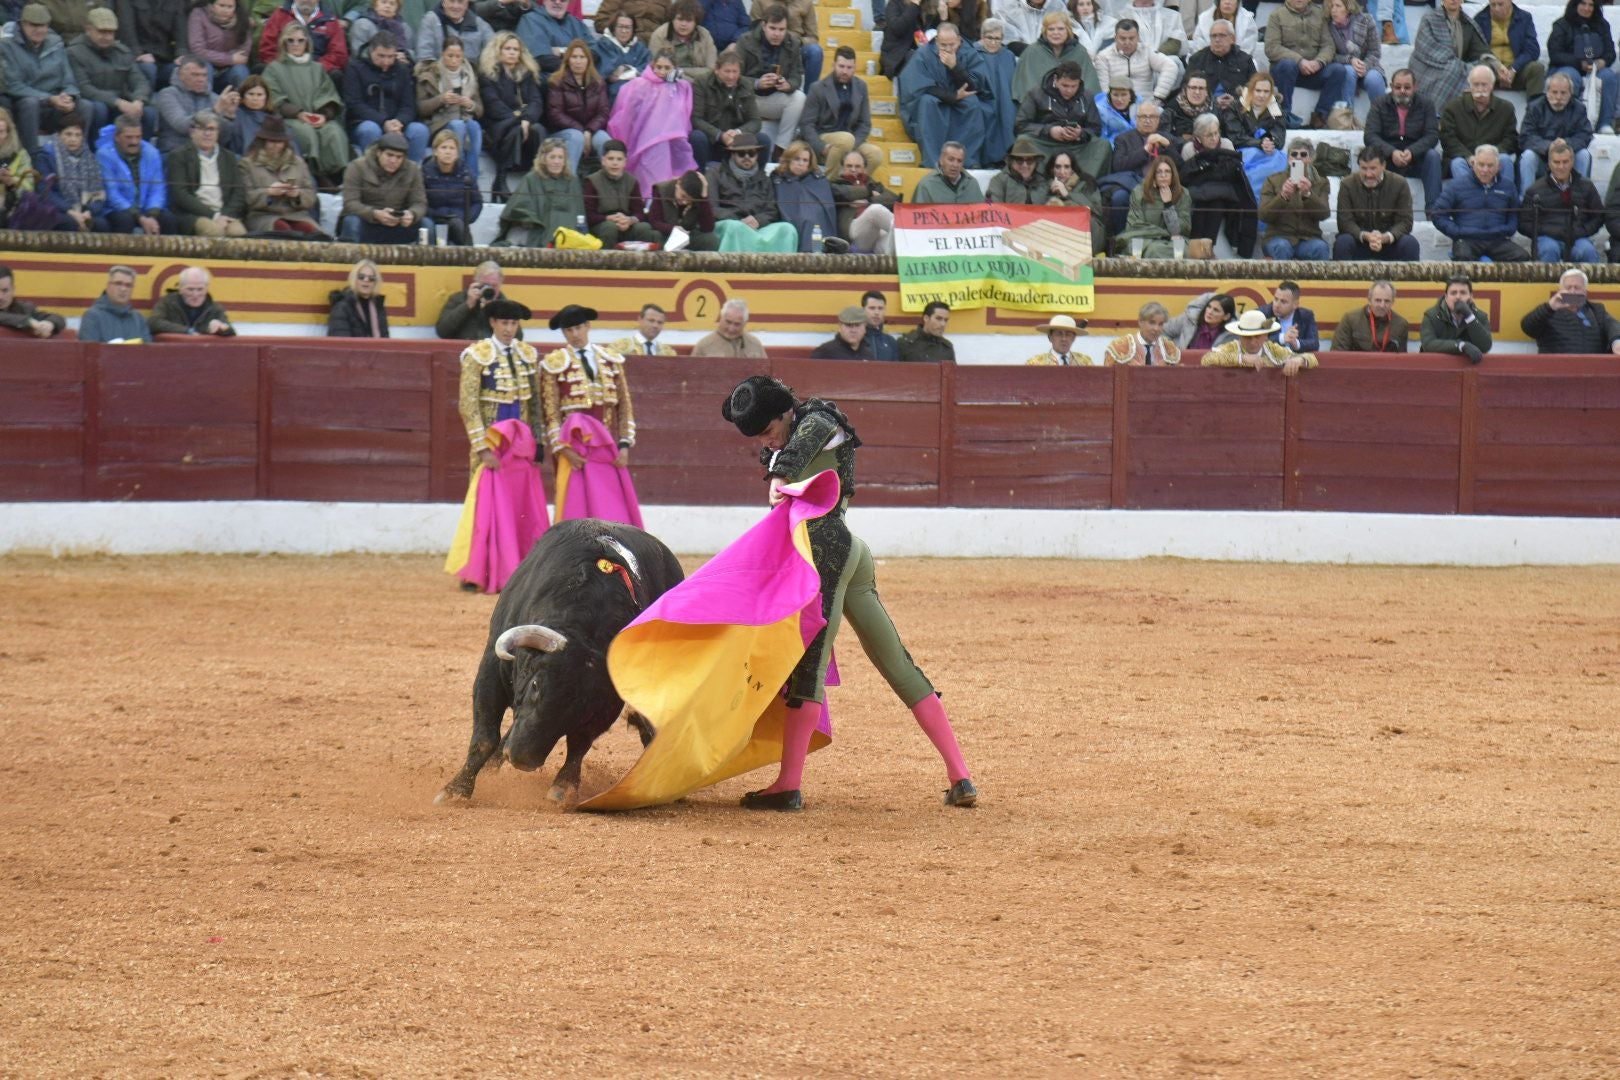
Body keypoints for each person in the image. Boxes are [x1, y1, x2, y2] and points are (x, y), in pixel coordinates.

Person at [720, 374, 977, 811]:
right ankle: (960, 776)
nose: (766, 441)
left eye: (768, 429)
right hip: (848, 552)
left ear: (786, 411)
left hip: (826, 552)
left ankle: (788, 784)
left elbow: (811, 433)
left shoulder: (818, 419)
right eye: (760, 436)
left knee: (811, 664)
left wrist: (779, 471)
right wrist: (777, 460)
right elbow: (789, 451)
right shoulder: (785, 439)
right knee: (893, 660)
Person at [446, 295, 548, 594]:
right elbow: (468, 406)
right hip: (492, 443)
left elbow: (536, 405)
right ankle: (476, 573)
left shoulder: (528, 355)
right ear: (492, 322)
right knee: (485, 506)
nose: (509, 328)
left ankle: (516, 570)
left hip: (519, 446)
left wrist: (538, 442)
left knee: (518, 505)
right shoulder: (477, 355)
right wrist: (482, 448)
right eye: (504, 322)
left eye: (513, 323)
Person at [538, 304, 637, 503]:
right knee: (574, 502)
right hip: (572, 447)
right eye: (569, 330)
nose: (575, 334)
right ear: (564, 333)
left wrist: (624, 444)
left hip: (605, 445)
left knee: (606, 501)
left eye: (578, 328)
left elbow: (624, 406)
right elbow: (550, 412)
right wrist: (563, 450)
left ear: (588, 326)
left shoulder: (611, 360)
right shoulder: (554, 364)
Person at [262, 23, 351, 188]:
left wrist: (323, 115)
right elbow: (274, 100)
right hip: (289, 118)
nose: (296, 44)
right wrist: (299, 114)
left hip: (317, 117)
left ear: (307, 43)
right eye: (291, 40)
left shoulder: (317, 68)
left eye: (300, 40)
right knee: (305, 133)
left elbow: (329, 95)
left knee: (333, 132)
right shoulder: (274, 69)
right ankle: (315, 175)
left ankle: (338, 177)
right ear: (284, 43)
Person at [898, 23, 993, 170]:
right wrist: (952, 96)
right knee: (926, 102)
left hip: (962, 97)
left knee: (973, 103)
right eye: (943, 45)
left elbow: (975, 85)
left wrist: (955, 67)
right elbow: (916, 85)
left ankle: (968, 159)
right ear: (936, 41)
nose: (948, 49)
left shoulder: (970, 53)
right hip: (936, 97)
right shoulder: (924, 54)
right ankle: (933, 160)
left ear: (959, 40)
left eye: (952, 45)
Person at [607, 51, 699, 197]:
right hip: (643, 139)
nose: (662, 72)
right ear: (652, 66)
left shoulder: (681, 87)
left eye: (667, 68)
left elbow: (683, 115)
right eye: (659, 67)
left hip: (671, 141)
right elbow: (628, 114)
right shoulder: (639, 84)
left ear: (674, 68)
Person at [2, 4, 87, 154]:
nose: (40, 30)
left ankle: (79, 157)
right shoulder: (7, 46)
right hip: (25, 103)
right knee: (30, 103)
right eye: (34, 25)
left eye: (44, 25)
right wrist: (49, 99)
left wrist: (68, 95)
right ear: (22, 24)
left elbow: (68, 78)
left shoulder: (56, 42)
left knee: (86, 106)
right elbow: (13, 85)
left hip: (55, 103)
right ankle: (32, 156)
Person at [478, 31, 546, 199]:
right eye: (507, 48)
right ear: (498, 51)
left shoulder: (527, 74)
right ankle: (500, 180)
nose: (512, 52)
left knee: (538, 129)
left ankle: (537, 179)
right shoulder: (489, 75)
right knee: (515, 129)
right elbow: (494, 107)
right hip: (497, 127)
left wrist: (527, 119)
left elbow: (536, 102)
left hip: (521, 127)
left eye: (516, 49)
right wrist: (520, 117)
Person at [1266, 0, 1354, 128]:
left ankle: (1320, 116)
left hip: (1313, 70)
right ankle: (1284, 114)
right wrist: (1299, 60)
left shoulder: (1320, 15)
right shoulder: (1276, 15)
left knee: (1338, 70)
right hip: (1285, 72)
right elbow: (1271, 48)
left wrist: (1319, 62)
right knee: (1288, 65)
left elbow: (1328, 45)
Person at [342, 32, 428, 163]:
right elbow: (354, 104)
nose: (386, 61)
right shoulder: (355, 68)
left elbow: (409, 105)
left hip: (397, 124)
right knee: (370, 129)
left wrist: (400, 122)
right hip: (364, 122)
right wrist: (383, 122)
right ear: (371, 51)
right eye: (381, 56)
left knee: (419, 130)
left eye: (390, 56)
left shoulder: (402, 70)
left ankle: (412, 175)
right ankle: (371, 173)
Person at [1432, 144, 1527, 262]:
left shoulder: (1508, 186)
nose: (1485, 170)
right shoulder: (1457, 185)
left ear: (1499, 166)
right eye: (1481, 164)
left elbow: (1515, 213)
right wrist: (1457, 232)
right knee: (1463, 257)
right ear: (1473, 164)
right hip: (1467, 239)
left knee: (1522, 258)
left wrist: (1508, 229)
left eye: (1490, 165)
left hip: (1498, 239)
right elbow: (1438, 213)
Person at [66, 7, 148, 144]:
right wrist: (117, 102)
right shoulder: (74, 52)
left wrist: (138, 101)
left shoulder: (122, 51)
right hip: (94, 101)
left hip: (120, 102)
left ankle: (139, 152)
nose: (107, 37)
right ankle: (94, 148)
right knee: (99, 109)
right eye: (102, 32)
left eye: (111, 33)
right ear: (88, 29)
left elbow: (140, 81)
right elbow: (84, 88)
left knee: (148, 112)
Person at [1363, 68, 1442, 210]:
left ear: (1415, 87)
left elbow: (1432, 135)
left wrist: (1412, 151)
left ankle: (1434, 211)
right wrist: (1392, 152)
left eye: (1407, 87)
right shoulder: (1379, 104)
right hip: (1387, 159)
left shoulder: (1426, 104)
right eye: (1398, 87)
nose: (1402, 91)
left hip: (1416, 158)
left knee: (1433, 156)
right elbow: (1370, 135)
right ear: (1391, 86)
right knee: (1372, 156)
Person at [1178, 111, 1254, 257]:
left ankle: (1207, 248)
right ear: (1198, 137)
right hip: (1199, 196)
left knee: (1217, 201)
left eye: (1216, 133)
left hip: (1225, 196)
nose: (1214, 138)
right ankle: (1198, 248)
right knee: (1203, 202)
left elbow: (1233, 175)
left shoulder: (1226, 144)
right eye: (1209, 135)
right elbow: (1187, 177)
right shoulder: (1189, 149)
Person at [1408, 0, 1502, 117]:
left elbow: (1480, 51)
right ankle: (1435, 117)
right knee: (1453, 71)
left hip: (1454, 72)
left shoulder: (1468, 24)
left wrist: (1496, 65)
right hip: (1428, 69)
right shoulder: (1429, 19)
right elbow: (1426, 48)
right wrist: (1458, 66)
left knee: (1478, 72)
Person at [735, 6, 808, 155]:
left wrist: (788, 85)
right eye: (773, 28)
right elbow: (733, 77)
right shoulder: (745, 41)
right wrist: (756, 83)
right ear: (763, 26)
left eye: (781, 30)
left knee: (799, 98)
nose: (777, 34)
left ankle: (781, 149)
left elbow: (797, 76)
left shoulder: (792, 43)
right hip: (748, 97)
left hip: (775, 97)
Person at [1016, 58, 1108, 177]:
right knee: (1023, 140)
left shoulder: (1087, 96)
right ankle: (1038, 179)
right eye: (1065, 85)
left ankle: (1085, 182)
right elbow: (1020, 124)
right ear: (1056, 80)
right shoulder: (1036, 93)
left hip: (1076, 146)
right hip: (1045, 144)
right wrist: (1049, 130)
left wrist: (1080, 133)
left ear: (1079, 82)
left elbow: (1095, 128)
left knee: (1103, 146)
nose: (1069, 90)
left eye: (1073, 86)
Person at [799, 46, 879, 178]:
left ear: (855, 68)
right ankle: (829, 185)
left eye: (849, 68)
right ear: (833, 65)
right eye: (841, 66)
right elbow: (806, 124)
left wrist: (853, 147)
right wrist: (821, 147)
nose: (845, 71)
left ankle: (854, 186)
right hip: (825, 137)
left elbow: (865, 124)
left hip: (850, 140)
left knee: (875, 154)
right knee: (845, 139)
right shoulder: (817, 88)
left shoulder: (861, 87)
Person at [708, 132, 797, 250]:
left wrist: (758, 220)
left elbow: (772, 211)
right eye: (741, 153)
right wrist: (737, 219)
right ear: (732, 154)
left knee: (787, 229)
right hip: (727, 223)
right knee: (734, 227)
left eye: (751, 153)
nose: (747, 157)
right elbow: (710, 208)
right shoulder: (715, 173)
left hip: (756, 226)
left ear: (757, 156)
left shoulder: (764, 178)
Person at [165, 110, 248, 237]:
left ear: (218, 133)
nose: (208, 134)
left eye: (212, 129)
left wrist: (225, 215)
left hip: (225, 213)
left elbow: (238, 192)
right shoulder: (178, 156)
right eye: (202, 129)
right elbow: (180, 194)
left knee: (238, 233)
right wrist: (214, 216)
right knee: (215, 232)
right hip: (194, 214)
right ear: (192, 132)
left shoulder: (229, 157)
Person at [1522, 138, 1602, 264]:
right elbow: (1524, 223)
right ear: (1549, 163)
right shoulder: (1535, 189)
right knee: (1549, 250)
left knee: (1588, 252)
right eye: (1556, 162)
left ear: (1572, 162)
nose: (1561, 166)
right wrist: (1549, 231)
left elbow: (1598, 216)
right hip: (1547, 238)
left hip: (1578, 238)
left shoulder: (1587, 186)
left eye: (1565, 162)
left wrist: (1582, 231)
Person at [417, 36, 485, 183]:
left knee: (474, 126)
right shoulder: (430, 75)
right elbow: (420, 108)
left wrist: (470, 104)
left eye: (458, 56)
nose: (454, 60)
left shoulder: (470, 76)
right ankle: (457, 176)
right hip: (437, 124)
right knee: (457, 125)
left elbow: (480, 110)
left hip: (465, 120)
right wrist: (440, 99)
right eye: (450, 56)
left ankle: (471, 180)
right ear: (442, 54)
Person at [1441, 65, 1519, 191]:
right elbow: (1448, 139)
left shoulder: (1506, 108)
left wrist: (1491, 156)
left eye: (1484, 84)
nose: (1480, 89)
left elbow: (1511, 139)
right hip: (1466, 158)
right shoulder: (1453, 108)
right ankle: (1468, 201)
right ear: (1469, 86)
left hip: (1494, 158)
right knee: (1457, 163)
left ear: (1492, 86)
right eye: (1476, 84)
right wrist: (1468, 156)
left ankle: (1506, 200)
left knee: (1505, 160)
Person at [1334, 146, 1420, 261]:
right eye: (1364, 168)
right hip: (1359, 240)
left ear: (1383, 166)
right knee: (1343, 242)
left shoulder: (1399, 183)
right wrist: (1366, 236)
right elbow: (1344, 222)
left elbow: (1405, 222)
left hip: (1389, 242)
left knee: (1410, 243)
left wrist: (1385, 237)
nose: (1368, 174)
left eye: (1373, 168)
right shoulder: (1347, 184)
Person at [239, 114, 322, 234]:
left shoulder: (298, 162)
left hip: (296, 214)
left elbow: (310, 194)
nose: (276, 145)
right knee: (283, 231)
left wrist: (297, 194)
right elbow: (246, 197)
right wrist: (268, 193)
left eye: (280, 142)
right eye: (272, 141)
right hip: (263, 216)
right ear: (263, 141)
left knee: (311, 231)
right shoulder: (247, 164)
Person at [340, 130, 427, 242]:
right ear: (379, 152)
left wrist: (412, 214)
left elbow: (419, 203)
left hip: (398, 223)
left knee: (426, 224)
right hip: (366, 221)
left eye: (398, 157)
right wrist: (375, 214)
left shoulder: (413, 169)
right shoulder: (356, 167)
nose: (393, 160)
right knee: (351, 222)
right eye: (389, 155)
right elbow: (350, 203)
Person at [97, 113, 176, 234]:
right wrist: (139, 217)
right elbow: (112, 194)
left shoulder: (152, 153)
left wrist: (152, 215)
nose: (134, 142)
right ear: (117, 137)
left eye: (138, 137)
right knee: (124, 220)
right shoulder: (104, 155)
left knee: (168, 219)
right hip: (117, 209)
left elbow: (157, 188)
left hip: (146, 208)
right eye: (129, 137)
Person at [1518, 73, 1592, 201]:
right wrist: (1548, 146)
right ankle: (1526, 200)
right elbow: (1525, 136)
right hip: (1542, 158)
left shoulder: (1579, 108)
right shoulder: (1535, 107)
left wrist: (1566, 144)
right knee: (1528, 157)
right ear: (1547, 92)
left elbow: (1585, 134)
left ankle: (1581, 199)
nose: (1558, 97)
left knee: (1584, 155)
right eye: (1555, 92)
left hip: (1568, 159)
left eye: (1563, 93)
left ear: (1570, 93)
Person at [1548, 0, 1617, 136]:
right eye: (1583, 4)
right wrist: (1579, 64)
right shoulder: (1562, 25)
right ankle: (1567, 124)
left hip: (1596, 68)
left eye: (1591, 5)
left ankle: (1605, 124)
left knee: (1608, 76)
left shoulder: (1602, 25)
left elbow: (1610, 52)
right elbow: (1555, 53)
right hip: (1568, 67)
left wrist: (1602, 62)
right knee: (1570, 78)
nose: (1587, 8)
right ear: (1575, 5)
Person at [499, 135, 585, 244]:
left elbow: (578, 213)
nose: (557, 161)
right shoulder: (531, 178)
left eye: (560, 157)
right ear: (544, 159)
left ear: (565, 160)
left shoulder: (573, 181)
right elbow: (519, 207)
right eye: (552, 157)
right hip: (538, 230)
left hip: (569, 234)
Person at [34, 112, 109, 233]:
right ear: (59, 135)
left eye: (77, 135)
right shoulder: (46, 156)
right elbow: (45, 192)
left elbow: (99, 194)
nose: (73, 139)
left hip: (85, 211)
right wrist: (71, 212)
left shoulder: (90, 158)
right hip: (58, 209)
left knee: (102, 225)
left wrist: (88, 212)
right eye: (68, 134)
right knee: (70, 224)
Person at [546, 38, 611, 174]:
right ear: (568, 59)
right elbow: (555, 114)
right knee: (576, 137)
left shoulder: (598, 82)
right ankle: (570, 184)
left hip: (590, 130)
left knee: (605, 141)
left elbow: (603, 112)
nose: (578, 61)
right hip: (564, 132)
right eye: (574, 57)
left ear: (588, 60)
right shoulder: (556, 80)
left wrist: (589, 131)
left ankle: (609, 185)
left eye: (582, 57)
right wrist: (581, 130)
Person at [152, 54, 238, 156]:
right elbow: (182, 125)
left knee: (237, 161)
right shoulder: (168, 94)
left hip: (207, 152)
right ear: (181, 75)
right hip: (175, 152)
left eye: (204, 75)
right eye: (195, 75)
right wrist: (215, 111)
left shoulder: (214, 98)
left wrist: (229, 116)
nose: (201, 79)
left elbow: (223, 139)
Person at [1258, 138, 1330, 260]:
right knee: (1282, 247)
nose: (1298, 158)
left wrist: (1308, 195)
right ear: (1288, 159)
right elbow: (1263, 215)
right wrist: (1282, 197)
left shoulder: (1320, 182)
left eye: (1303, 154)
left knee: (1320, 247)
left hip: (1308, 239)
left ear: (1310, 159)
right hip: (1278, 236)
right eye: (1294, 154)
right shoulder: (1273, 180)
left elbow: (1324, 214)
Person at [1521, 268, 1620, 355]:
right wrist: (1550, 307)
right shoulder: (1548, 311)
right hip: (1557, 370)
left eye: (1577, 288)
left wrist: (1616, 341)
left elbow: (1613, 326)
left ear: (1585, 292)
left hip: (1592, 369)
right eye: (1568, 288)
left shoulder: (1596, 310)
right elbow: (1528, 327)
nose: (1572, 291)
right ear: (1560, 291)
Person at [689, 48, 761, 165]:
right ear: (717, 70)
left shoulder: (746, 85)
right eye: (727, 71)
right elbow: (696, 119)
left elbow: (755, 121)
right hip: (711, 139)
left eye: (735, 72)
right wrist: (720, 135)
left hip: (737, 141)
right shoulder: (701, 83)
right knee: (696, 137)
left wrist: (738, 132)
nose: (731, 76)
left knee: (763, 139)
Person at [583, 138, 659, 245]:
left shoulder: (632, 181)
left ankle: (639, 261)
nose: (615, 163)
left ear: (625, 162)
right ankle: (606, 261)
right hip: (602, 224)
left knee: (644, 228)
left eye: (619, 159)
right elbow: (589, 215)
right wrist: (608, 218)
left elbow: (639, 212)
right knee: (609, 228)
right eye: (611, 159)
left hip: (626, 223)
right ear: (603, 160)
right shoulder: (592, 181)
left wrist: (629, 220)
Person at [1011, 11, 1096, 106]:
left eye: (1060, 29)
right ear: (1045, 31)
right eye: (1051, 29)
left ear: (1068, 30)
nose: (1056, 33)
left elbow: (1090, 86)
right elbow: (1024, 90)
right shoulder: (1031, 52)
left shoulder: (1080, 52)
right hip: (1040, 112)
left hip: (1074, 111)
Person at [771, 139, 842, 252]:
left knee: (813, 217)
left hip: (818, 227)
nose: (801, 163)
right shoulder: (777, 180)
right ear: (788, 159)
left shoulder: (818, 180)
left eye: (805, 160)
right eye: (797, 159)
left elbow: (839, 192)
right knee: (807, 219)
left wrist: (866, 191)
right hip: (790, 228)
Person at [1115, 154, 1190, 257]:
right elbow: (1134, 225)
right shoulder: (1139, 191)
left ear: (1173, 175)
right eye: (1159, 172)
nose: (1163, 175)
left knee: (1182, 250)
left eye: (1167, 172)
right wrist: (1164, 234)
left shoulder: (1183, 193)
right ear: (1153, 175)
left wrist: (1168, 205)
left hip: (1172, 243)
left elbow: (1182, 229)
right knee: (1152, 249)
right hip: (1143, 240)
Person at [1201, 308, 1316, 374]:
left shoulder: (1272, 349)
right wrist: (1242, 358)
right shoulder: (1232, 347)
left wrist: (1299, 360)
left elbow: (1312, 358)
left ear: (1265, 336)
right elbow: (1207, 359)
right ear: (1240, 336)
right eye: (1247, 337)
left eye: (1257, 336)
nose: (1253, 341)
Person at [829, 148, 898, 254]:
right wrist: (869, 191)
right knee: (875, 210)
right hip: (854, 236)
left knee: (893, 243)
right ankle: (908, 232)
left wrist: (869, 200)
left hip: (875, 237)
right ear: (842, 168)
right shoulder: (836, 185)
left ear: (864, 169)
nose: (853, 169)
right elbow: (846, 193)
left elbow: (894, 199)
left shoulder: (870, 182)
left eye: (857, 166)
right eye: (849, 166)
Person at [1095, 18, 1178, 105]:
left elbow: (1170, 66)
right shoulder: (1103, 57)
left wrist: (1158, 96)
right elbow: (1105, 90)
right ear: (1115, 38)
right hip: (1117, 105)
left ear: (1138, 37)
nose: (1127, 42)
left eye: (1131, 38)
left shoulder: (1147, 51)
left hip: (1146, 104)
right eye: (1123, 38)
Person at [1472, 0, 1545, 100]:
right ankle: (1482, 109)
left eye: (1500, 4)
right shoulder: (1480, 19)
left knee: (1537, 68)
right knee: (1481, 69)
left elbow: (1532, 49)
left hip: (1517, 71)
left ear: (1510, 2)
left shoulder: (1524, 18)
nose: (1496, 8)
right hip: (1491, 71)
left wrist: (1514, 68)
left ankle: (1535, 111)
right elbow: (1476, 49)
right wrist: (1497, 66)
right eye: (1493, 5)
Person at [423, 126, 482, 244]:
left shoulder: (466, 172)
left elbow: (477, 202)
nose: (448, 152)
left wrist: (465, 218)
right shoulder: (425, 172)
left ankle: (469, 258)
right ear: (435, 151)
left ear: (457, 153)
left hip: (458, 220)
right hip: (434, 219)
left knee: (457, 224)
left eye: (452, 148)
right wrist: (438, 215)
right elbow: (420, 202)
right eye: (443, 147)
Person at [257, 0, 349, 76]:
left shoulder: (330, 20)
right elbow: (267, 48)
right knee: (260, 69)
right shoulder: (280, 15)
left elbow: (339, 54)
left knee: (336, 75)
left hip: (318, 71)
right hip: (283, 67)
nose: (306, 0)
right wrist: (283, 66)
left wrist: (315, 68)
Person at [747, 0, 824, 84]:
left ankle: (810, 95)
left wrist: (798, 42)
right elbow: (754, 30)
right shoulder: (760, 1)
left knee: (815, 51)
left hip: (796, 45)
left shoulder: (806, 2)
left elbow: (813, 37)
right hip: (767, 44)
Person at [1419, 275, 1491, 362]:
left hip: (1467, 367)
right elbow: (1428, 344)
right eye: (1453, 293)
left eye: (1463, 293)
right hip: (1436, 367)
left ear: (1471, 297)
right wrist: (1461, 345)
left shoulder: (1481, 317)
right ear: (1446, 297)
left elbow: (1485, 346)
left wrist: (1469, 316)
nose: (1458, 297)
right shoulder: (1432, 315)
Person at [148, 265, 235, 337]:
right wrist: (187, 331)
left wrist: (221, 329)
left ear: (207, 288)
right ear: (180, 288)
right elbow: (153, 323)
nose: (195, 295)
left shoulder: (215, 309)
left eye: (200, 289)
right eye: (190, 289)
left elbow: (231, 333)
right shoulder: (167, 303)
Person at [1326, 0, 1386, 104]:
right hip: (1345, 66)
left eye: (1338, 6)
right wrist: (1350, 60)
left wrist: (1364, 66)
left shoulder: (1366, 20)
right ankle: (1346, 116)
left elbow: (1375, 51)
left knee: (1374, 79)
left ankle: (1382, 115)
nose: (1333, 10)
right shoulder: (1328, 26)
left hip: (1369, 65)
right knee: (1348, 71)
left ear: (1348, 8)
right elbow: (1330, 55)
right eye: (1331, 6)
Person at [438, 260, 515, 339]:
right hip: (463, 348)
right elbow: (442, 331)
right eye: (486, 285)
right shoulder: (459, 298)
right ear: (476, 282)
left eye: (494, 286)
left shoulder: (505, 304)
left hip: (491, 350)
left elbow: (517, 338)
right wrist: (467, 305)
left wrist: (494, 312)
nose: (490, 289)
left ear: (500, 283)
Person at [188, 0, 255, 92]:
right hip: (206, 64)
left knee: (240, 71)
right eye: (221, 5)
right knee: (205, 67)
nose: (225, 10)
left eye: (229, 7)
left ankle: (240, 102)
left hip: (229, 69)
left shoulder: (243, 19)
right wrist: (229, 58)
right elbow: (197, 50)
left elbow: (243, 55)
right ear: (212, 5)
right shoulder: (199, 14)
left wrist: (223, 59)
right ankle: (204, 102)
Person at [1184, 18, 1254, 105]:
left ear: (1232, 38)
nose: (1217, 40)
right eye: (1214, 36)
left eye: (1222, 35)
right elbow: (1185, 88)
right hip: (1204, 107)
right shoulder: (1197, 59)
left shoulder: (1245, 60)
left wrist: (1236, 101)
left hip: (1238, 108)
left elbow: (1254, 88)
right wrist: (1212, 101)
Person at [78, 264, 151, 344]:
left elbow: (148, 351)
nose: (123, 289)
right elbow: (89, 352)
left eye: (128, 285)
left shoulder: (138, 319)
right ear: (108, 286)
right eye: (118, 283)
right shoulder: (92, 317)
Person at [648, 167, 719, 249]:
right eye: (683, 196)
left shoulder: (698, 198)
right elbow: (654, 221)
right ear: (678, 183)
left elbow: (708, 228)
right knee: (653, 234)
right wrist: (673, 229)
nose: (684, 202)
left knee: (710, 239)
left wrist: (704, 197)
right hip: (665, 234)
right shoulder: (662, 190)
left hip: (687, 236)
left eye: (689, 200)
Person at [517, 0, 593, 74]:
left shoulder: (576, 23)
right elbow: (541, 59)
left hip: (580, 79)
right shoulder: (530, 20)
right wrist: (577, 64)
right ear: (544, 1)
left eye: (562, 0)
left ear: (568, 2)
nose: (557, 2)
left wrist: (561, 51)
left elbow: (594, 51)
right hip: (548, 81)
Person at [1331, 279, 1408, 353]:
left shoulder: (1401, 324)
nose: (1382, 305)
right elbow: (1337, 353)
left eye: (1387, 301)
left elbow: (1401, 359)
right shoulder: (1350, 320)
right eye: (1378, 300)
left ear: (1393, 302)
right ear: (1369, 300)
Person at [648, 0, 716, 81]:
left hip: (700, 83)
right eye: (680, 19)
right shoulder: (660, 35)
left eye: (689, 20)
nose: (683, 24)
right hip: (667, 82)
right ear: (672, 20)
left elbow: (711, 69)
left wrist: (680, 72)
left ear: (696, 22)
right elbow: (654, 67)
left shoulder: (704, 35)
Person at [594, 12, 651, 101]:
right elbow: (604, 73)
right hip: (611, 96)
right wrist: (610, 76)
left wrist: (626, 68)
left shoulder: (640, 48)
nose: (624, 31)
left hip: (638, 93)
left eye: (628, 27)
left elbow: (648, 68)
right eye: (620, 26)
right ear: (613, 28)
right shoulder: (603, 45)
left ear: (633, 30)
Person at [1102, 300, 1180, 365]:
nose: (1156, 328)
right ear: (1140, 322)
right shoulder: (1120, 347)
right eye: (1152, 323)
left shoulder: (1170, 349)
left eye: (1160, 324)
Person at [0, 265, 68, 338]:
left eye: (5, 290)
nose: (0, 297)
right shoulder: (28, 318)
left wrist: (48, 324)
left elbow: (58, 319)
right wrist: (28, 322)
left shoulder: (25, 308)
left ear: (13, 290)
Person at [327, 259, 391, 337]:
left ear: (375, 282)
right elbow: (341, 342)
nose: (366, 280)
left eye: (371, 278)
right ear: (354, 279)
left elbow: (385, 340)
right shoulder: (342, 308)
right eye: (361, 277)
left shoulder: (379, 307)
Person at [421, 0, 496, 64]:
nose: (455, 6)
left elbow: (494, 50)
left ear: (467, 4)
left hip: (472, 76)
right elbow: (425, 56)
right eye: (451, 1)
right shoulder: (431, 20)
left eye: (460, 2)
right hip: (439, 75)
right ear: (443, 2)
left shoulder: (479, 24)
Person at [913, 140, 985, 203]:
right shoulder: (926, 185)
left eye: (959, 161)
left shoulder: (972, 184)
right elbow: (916, 216)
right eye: (951, 159)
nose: (955, 165)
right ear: (941, 160)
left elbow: (981, 214)